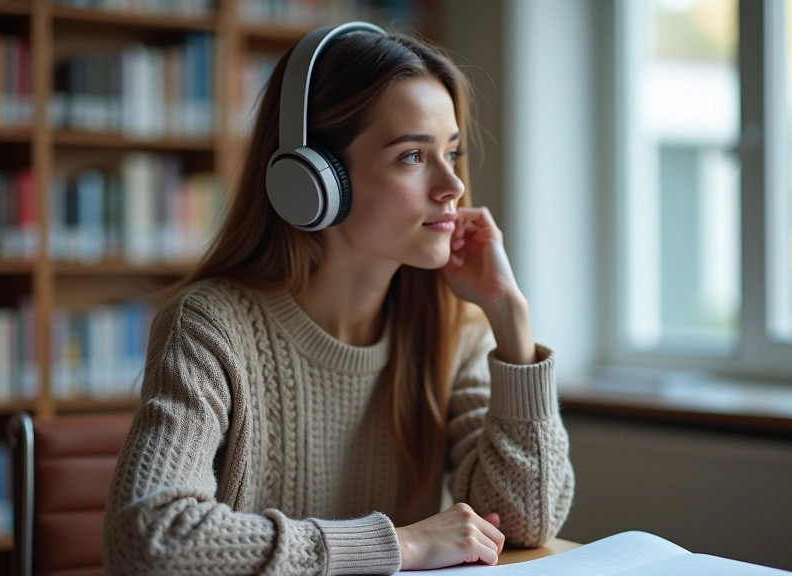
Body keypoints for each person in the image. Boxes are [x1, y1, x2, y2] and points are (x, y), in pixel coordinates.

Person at [103, 22, 574, 576]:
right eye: (412, 157)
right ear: (315, 180)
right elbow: (148, 541)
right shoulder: (210, 326)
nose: (453, 186)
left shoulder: (452, 331)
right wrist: (398, 546)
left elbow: (525, 522)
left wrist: (510, 323)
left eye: (452, 152)